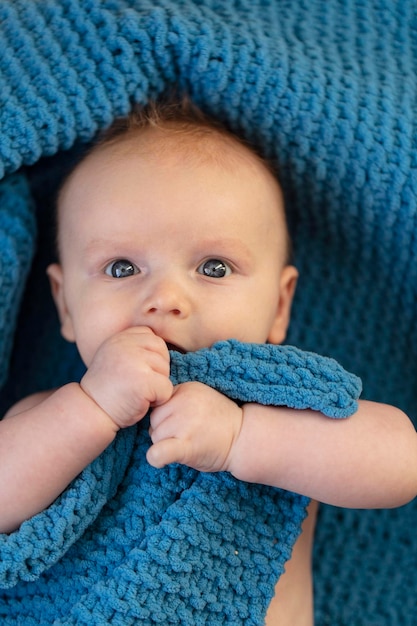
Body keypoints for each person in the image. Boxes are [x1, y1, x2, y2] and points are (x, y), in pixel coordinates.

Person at [1, 98, 416, 626]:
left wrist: (241, 437)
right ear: (65, 304)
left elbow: (400, 462)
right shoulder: (52, 414)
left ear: (280, 305)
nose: (166, 298)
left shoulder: (285, 405)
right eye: (122, 266)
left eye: (214, 267)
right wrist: (89, 410)